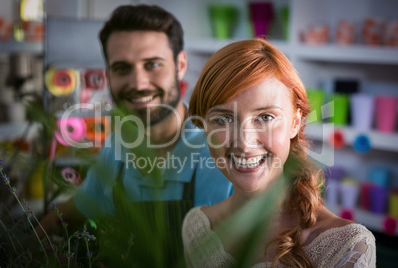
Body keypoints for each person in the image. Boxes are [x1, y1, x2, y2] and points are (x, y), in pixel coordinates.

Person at [37, 4, 232, 266]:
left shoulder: (220, 148)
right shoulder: (115, 148)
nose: (138, 83)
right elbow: (77, 207)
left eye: (152, 64)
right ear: (108, 75)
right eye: (122, 68)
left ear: (180, 65)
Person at [182, 39, 376, 267]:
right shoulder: (196, 227)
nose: (245, 143)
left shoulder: (348, 247)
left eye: (265, 117)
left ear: (295, 122)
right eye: (224, 119)